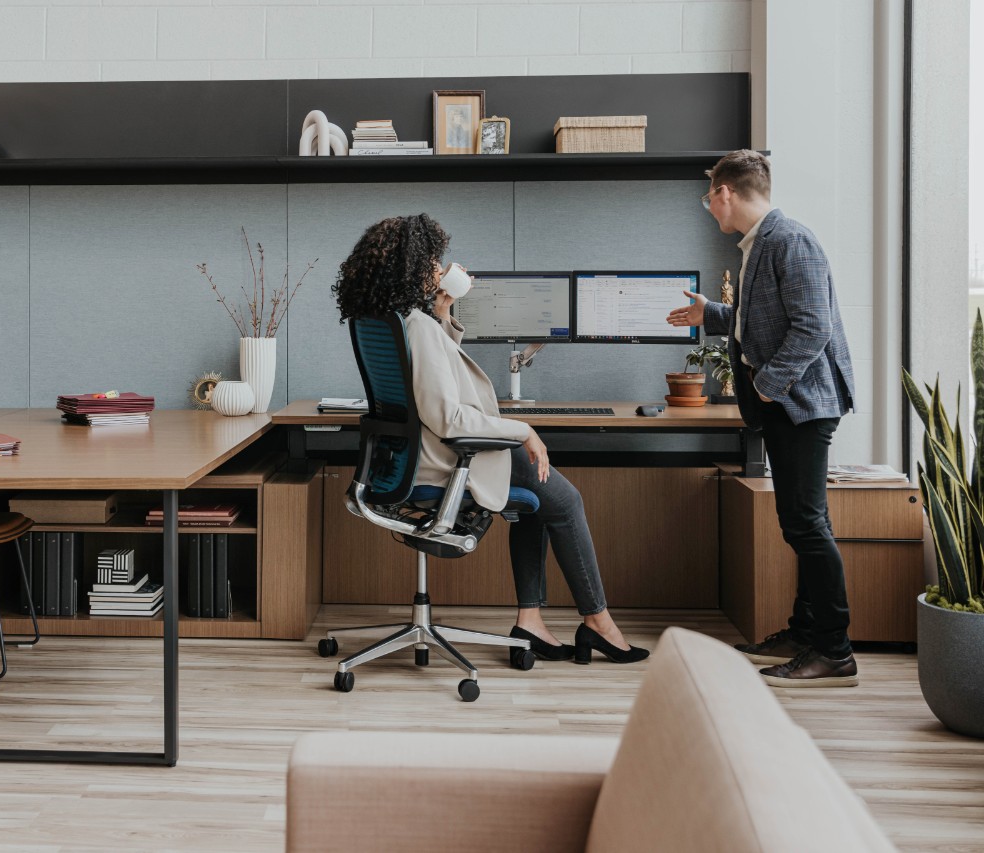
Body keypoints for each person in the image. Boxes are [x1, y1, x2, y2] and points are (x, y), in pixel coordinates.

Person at [333, 213, 648, 665]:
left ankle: (531, 622)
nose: (440, 269)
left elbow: (435, 381)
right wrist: (524, 430)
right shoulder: (415, 328)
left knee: (541, 498)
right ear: (412, 263)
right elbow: (448, 416)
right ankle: (598, 623)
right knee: (567, 501)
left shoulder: (404, 321)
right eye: (433, 260)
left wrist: (443, 316)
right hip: (451, 459)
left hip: (413, 461)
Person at [666, 149, 858, 687]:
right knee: (798, 524)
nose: (710, 209)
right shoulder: (760, 243)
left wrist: (769, 386)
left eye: (710, 199)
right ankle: (804, 632)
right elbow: (764, 320)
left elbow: (813, 327)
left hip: (802, 404)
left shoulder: (790, 239)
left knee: (807, 524)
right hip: (786, 403)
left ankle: (835, 650)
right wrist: (715, 314)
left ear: (725, 192)